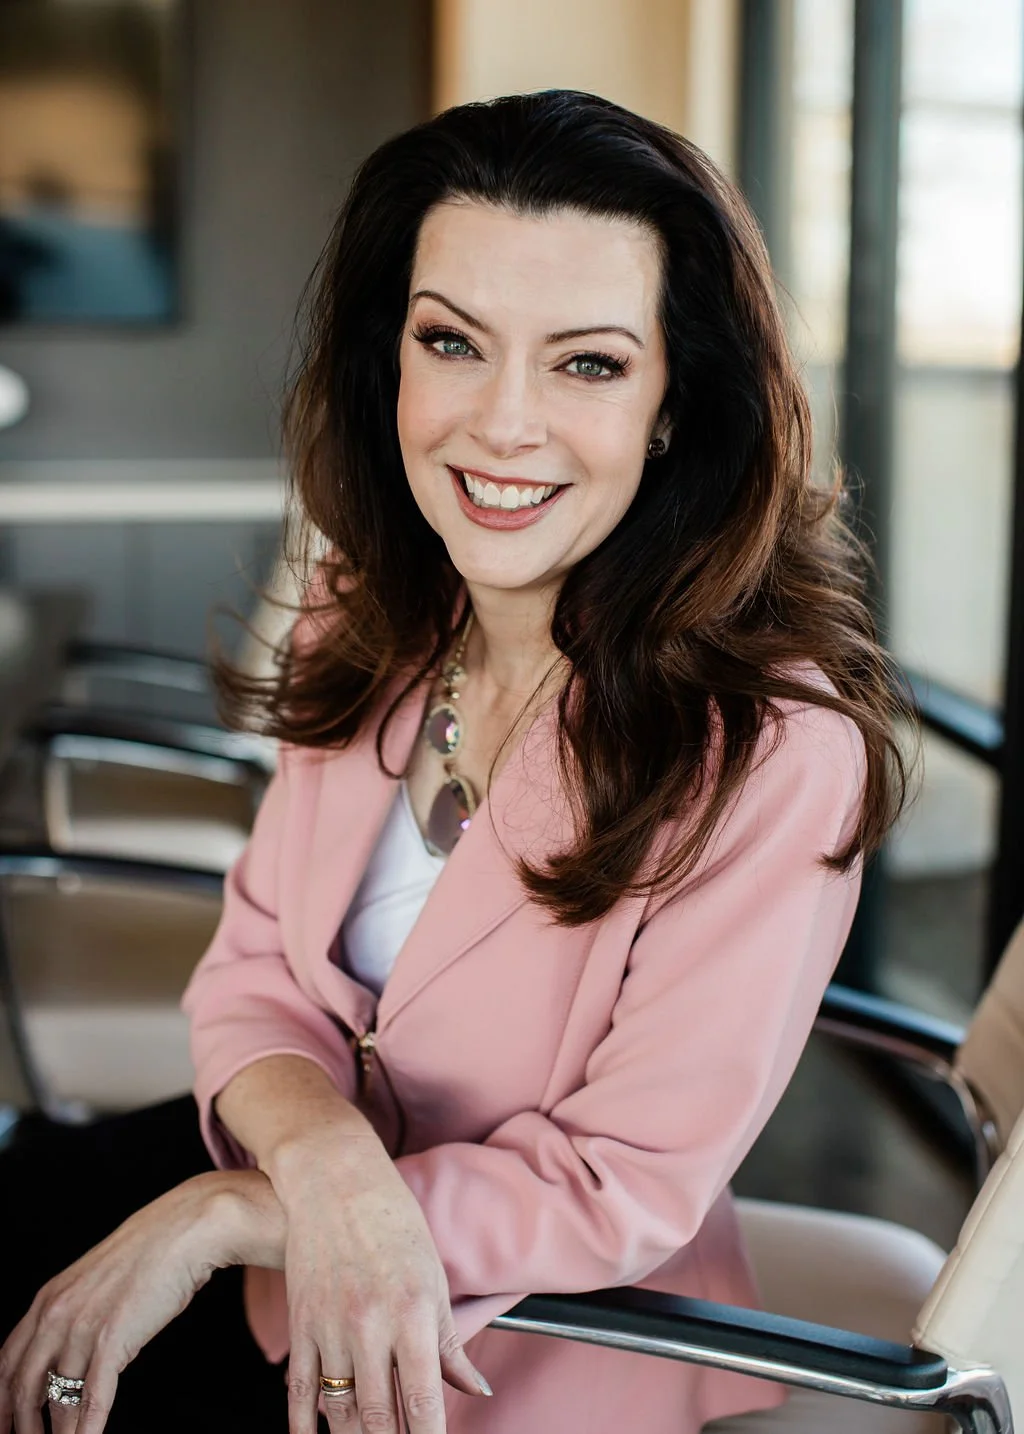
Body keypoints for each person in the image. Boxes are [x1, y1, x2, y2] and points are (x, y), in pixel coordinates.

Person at [0, 89, 913, 1434]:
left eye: (587, 363)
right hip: (284, 1167)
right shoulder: (372, 608)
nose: (502, 424)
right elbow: (252, 968)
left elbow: (619, 1182)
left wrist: (233, 1209)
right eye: (454, 343)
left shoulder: (773, 750)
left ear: (674, 400)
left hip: (496, 1324)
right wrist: (315, 1158)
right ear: (394, 362)